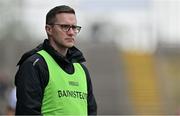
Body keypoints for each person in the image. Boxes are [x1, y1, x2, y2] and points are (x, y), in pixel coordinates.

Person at [15, 5, 97, 115]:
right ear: (49, 29)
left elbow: (91, 112)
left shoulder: (82, 70)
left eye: (74, 27)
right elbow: (28, 112)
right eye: (65, 26)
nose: (71, 32)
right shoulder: (34, 65)